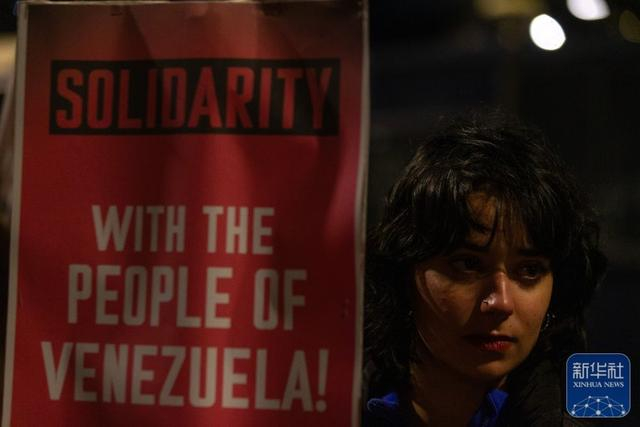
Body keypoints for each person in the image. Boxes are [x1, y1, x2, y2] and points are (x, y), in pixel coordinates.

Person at [363, 112, 607, 426]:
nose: (501, 302)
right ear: (404, 272)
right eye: (468, 264)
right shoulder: (333, 406)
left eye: (530, 270)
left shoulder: (580, 412)